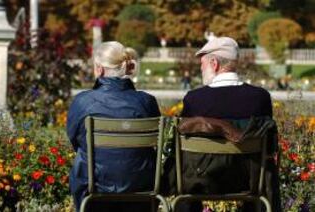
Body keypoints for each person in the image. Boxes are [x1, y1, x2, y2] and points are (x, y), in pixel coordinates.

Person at [162, 37, 281, 211]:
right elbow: (270, 146)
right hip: (250, 180)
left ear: (214, 63)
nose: (200, 68)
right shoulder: (260, 97)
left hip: (200, 182)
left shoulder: (195, 99)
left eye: (202, 64)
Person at [67, 41, 160, 212]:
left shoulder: (83, 102)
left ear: (99, 69)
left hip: (95, 184)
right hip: (140, 184)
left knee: (82, 155)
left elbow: (75, 141)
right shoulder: (147, 102)